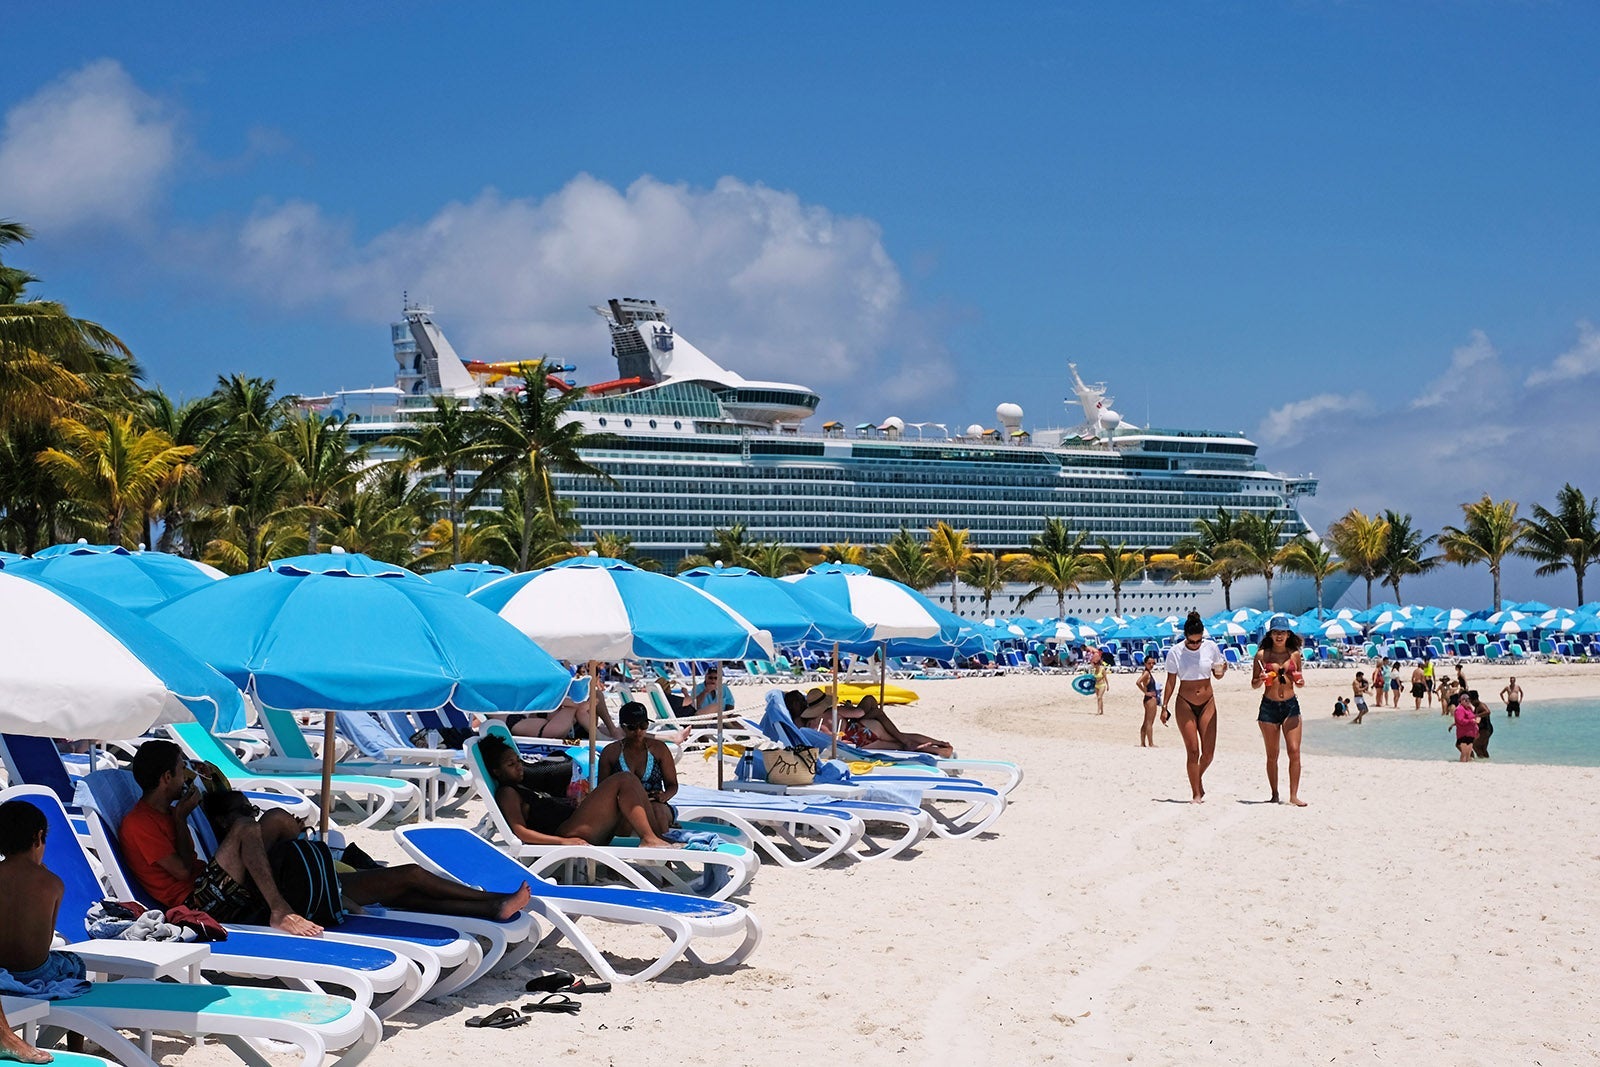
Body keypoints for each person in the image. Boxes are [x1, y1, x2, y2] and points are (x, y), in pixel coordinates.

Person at [122, 742, 527, 934]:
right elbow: (182, 871)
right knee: (251, 826)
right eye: (181, 769)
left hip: (233, 887)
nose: (188, 775)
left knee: (406, 878)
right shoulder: (140, 824)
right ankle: (280, 909)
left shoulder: (171, 813)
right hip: (198, 903)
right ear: (166, 779)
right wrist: (183, 819)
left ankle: (491, 906)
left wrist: (188, 814)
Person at [480, 733, 680, 850]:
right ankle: (651, 838)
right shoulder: (507, 793)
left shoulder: (522, 786)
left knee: (629, 783)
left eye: (517, 761)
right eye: (511, 764)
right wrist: (563, 841)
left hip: (575, 824)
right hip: (569, 832)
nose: (519, 766)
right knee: (624, 779)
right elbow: (520, 832)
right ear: (497, 771)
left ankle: (654, 837)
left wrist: (571, 802)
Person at [0, 800, 88, 1064]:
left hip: (2, 970)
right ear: (38, 837)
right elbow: (46, 937)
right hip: (35, 973)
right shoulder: (52, 883)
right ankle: (76, 1044)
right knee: (74, 964)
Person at [1160, 611, 1227, 803]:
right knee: (1193, 751)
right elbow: (1171, 681)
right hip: (1185, 703)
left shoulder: (1211, 647)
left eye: (1198, 641)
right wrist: (1164, 706)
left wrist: (1223, 671)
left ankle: (1197, 779)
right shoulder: (1175, 652)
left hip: (1208, 702)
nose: (1195, 645)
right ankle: (1196, 793)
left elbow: (1218, 674)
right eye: (1192, 642)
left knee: (1208, 753)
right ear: (1185, 637)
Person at [598, 701, 678, 836]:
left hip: (656, 804)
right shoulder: (611, 752)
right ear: (622, 727)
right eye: (632, 727)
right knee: (629, 816)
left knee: (658, 812)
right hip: (623, 806)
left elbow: (672, 785)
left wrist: (663, 797)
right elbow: (602, 791)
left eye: (643, 725)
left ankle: (664, 852)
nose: (638, 731)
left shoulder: (659, 749)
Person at [1252, 615, 1306, 805]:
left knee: (1294, 751)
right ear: (1271, 634)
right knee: (1272, 754)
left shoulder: (1295, 655)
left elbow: (1299, 681)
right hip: (1269, 707)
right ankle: (1274, 794)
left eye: (1282, 632)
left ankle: (1293, 796)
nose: (1279, 636)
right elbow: (1254, 684)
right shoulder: (1262, 656)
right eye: (1276, 632)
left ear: (1288, 634)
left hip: (1291, 705)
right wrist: (1261, 678)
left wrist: (1299, 680)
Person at [504, 661, 621, 742]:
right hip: (548, 727)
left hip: (549, 724)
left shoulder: (537, 687)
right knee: (580, 705)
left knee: (590, 699)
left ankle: (607, 731)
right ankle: (601, 734)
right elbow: (563, 702)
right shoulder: (537, 688)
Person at [816, 692, 955, 758]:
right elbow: (858, 713)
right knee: (902, 737)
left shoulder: (811, 723)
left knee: (900, 746)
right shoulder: (833, 711)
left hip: (854, 745)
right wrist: (851, 709)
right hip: (863, 730)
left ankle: (937, 751)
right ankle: (940, 743)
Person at [1136, 658, 1166, 747]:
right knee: (1149, 722)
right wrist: (1145, 692)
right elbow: (1138, 682)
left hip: (1148, 698)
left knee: (1146, 721)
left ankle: (1143, 742)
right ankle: (1150, 743)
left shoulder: (1147, 672)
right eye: (1149, 663)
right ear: (1145, 663)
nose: (1152, 665)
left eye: (1153, 663)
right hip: (1150, 699)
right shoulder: (1146, 673)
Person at [1450, 691, 1479, 762]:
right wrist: (1471, 721)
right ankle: (1462, 766)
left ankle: (1467, 767)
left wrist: (1477, 718)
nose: (1468, 701)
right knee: (1464, 753)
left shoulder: (1469, 708)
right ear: (1461, 700)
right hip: (1463, 734)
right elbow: (1460, 721)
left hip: (1471, 733)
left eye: (1469, 699)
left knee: (1469, 753)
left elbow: (1472, 717)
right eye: (1465, 700)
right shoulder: (1459, 709)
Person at [1470, 690, 1493, 759]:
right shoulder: (1477, 706)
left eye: (1471, 701)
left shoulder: (1481, 705)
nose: (1471, 703)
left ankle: (1482, 759)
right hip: (1486, 729)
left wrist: (1476, 715)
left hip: (1486, 729)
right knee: (1483, 748)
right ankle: (1486, 760)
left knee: (1475, 745)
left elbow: (1488, 712)